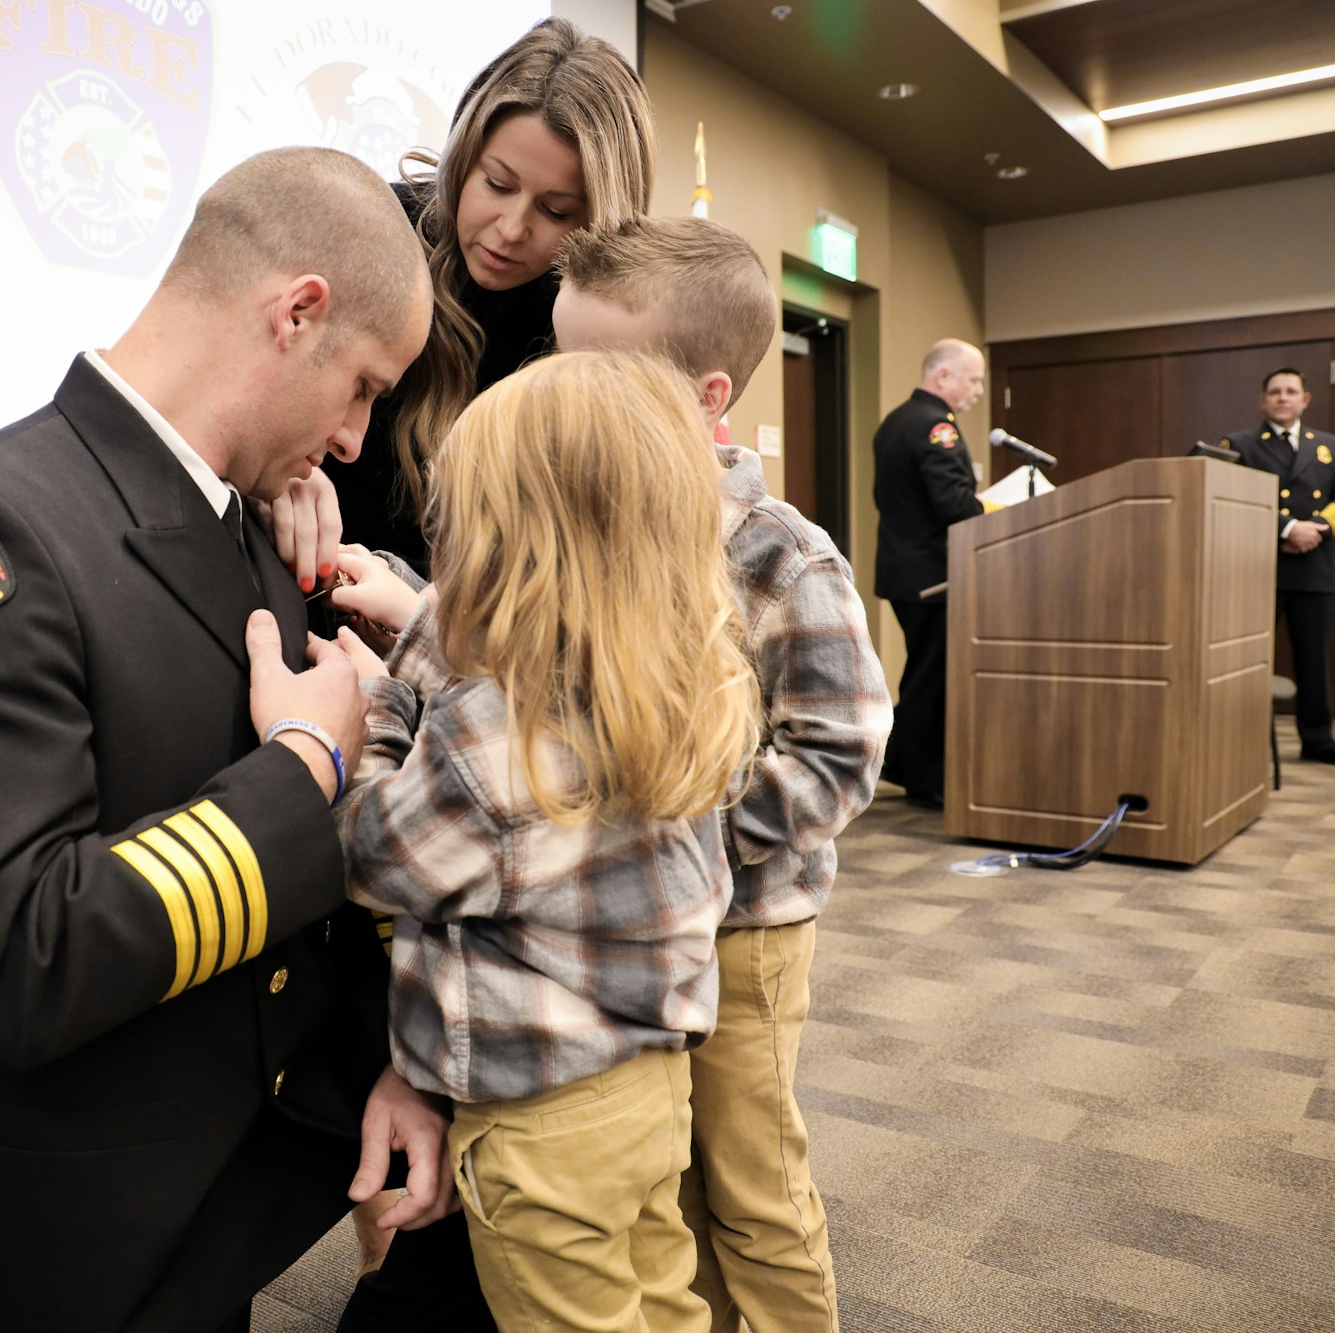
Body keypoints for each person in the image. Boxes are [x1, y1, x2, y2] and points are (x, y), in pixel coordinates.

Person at [0, 148, 445, 1333]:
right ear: (295, 312)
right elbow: (16, 958)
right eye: (361, 387)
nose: (359, 440)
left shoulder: (239, 521)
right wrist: (304, 767)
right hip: (49, 1246)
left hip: (206, 1206)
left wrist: (394, 1060)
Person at [329, 349, 760, 1333]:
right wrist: (417, 648)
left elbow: (372, 856)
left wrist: (367, 717)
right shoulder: (666, 671)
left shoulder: (493, 728)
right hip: (645, 1087)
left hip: (541, 1125)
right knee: (659, 1304)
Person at [553, 217, 893, 1333]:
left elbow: (836, 756)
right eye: (557, 365)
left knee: (751, 1188)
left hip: (743, 933)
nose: (567, 396)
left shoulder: (781, 554)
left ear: (704, 396)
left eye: (598, 374)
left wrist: (675, 834)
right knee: (665, 1186)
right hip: (630, 935)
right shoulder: (586, 528)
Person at [275, 16, 653, 586]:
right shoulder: (373, 230)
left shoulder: (591, 323)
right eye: (497, 185)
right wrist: (282, 470)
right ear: (461, 158)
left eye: (556, 211)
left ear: (603, 221)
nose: (511, 229)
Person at [872, 339, 996, 810]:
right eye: (973, 378)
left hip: (906, 569)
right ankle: (923, 778)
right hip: (932, 574)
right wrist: (994, 508)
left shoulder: (897, 421)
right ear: (943, 377)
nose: (978, 389)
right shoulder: (936, 427)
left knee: (924, 673)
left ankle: (903, 763)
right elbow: (955, 506)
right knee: (932, 679)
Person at [1221, 368, 1335, 766]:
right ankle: (1240, 742)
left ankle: (1319, 742)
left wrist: (1317, 529)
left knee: (1315, 662)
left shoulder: (1330, 446)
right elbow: (1232, 496)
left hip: (1314, 566)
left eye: (1290, 391)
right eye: (1275, 392)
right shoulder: (1240, 444)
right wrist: (1287, 527)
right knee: (1245, 658)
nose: (1283, 398)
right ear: (1263, 400)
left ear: (1305, 400)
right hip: (1257, 568)